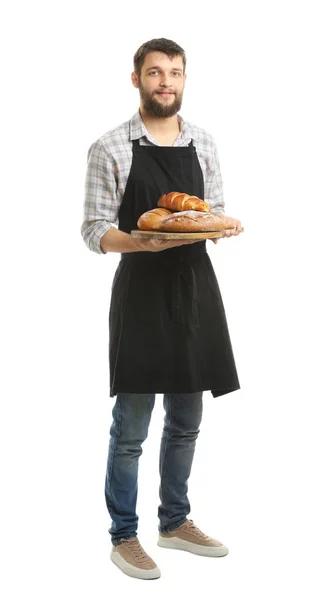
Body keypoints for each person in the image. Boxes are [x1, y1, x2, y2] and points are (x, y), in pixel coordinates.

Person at [81, 38, 243, 580]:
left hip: (195, 290)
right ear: (137, 80)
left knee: (187, 419)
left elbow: (210, 212)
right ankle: (123, 535)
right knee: (131, 426)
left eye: (174, 72)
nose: (165, 81)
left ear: (184, 79)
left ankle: (174, 523)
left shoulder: (205, 143)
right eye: (155, 73)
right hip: (142, 293)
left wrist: (222, 227)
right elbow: (93, 230)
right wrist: (139, 242)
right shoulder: (110, 147)